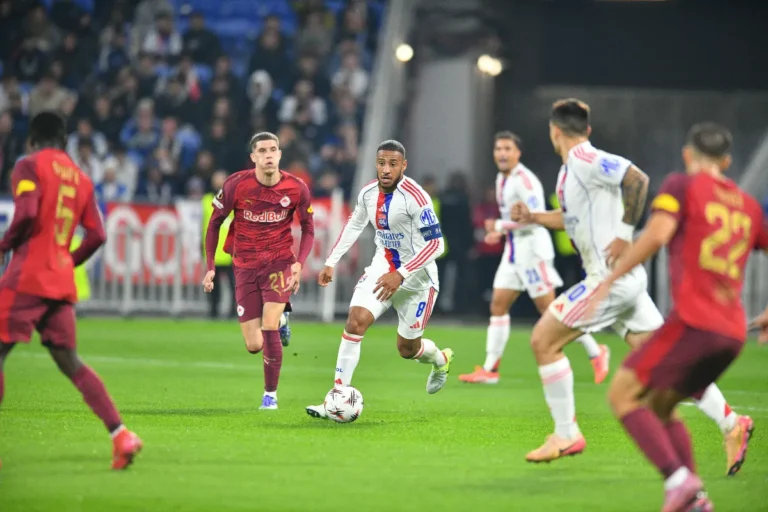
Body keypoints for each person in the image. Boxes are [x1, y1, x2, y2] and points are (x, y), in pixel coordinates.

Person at [512, 99, 749, 466]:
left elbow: (636, 178)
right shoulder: (569, 173)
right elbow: (572, 218)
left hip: (609, 279)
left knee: (543, 340)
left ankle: (566, 433)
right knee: (671, 366)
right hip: (625, 283)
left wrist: (625, 233)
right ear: (586, 128)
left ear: (553, 131)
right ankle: (733, 423)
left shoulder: (584, 159)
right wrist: (534, 217)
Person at [582, 122, 768, 511]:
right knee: (661, 406)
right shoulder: (749, 207)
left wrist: (609, 279)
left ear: (687, 155)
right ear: (727, 161)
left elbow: (657, 234)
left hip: (695, 324)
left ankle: (680, 481)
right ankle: (694, 499)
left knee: (623, 395)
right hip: (733, 334)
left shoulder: (682, 186)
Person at [0, 112, 142, 470]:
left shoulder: (27, 165)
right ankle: (121, 434)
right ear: (65, 142)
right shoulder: (80, 178)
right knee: (71, 363)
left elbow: (28, 212)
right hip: (60, 282)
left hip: (26, 277)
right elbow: (98, 235)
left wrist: (4, 244)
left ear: (32, 140)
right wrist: (68, 260)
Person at [306, 140, 453, 419]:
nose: (386, 169)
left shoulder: (416, 197)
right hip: (381, 269)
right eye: (381, 163)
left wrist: (401, 274)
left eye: (393, 164)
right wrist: (331, 261)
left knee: (407, 349)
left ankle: (440, 359)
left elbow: (437, 245)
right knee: (355, 320)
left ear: (403, 166)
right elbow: (354, 225)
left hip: (418, 281)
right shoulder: (368, 194)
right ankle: (336, 398)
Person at [459, 131, 607, 385]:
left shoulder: (525, 181)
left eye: (508, 149)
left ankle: (597, 352)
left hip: (533, 252)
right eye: (499, 149)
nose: (502, 154)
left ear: (518, 153)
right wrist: (501, 232)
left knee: (551, 312)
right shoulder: (501, 178)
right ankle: (490, 369)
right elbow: (514, 220)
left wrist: (500, 226)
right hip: (514, 252)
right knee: (498, 305)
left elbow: (535, 218)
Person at [203, 132, 314, 410]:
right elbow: (215, 224)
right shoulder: (235, 185)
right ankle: (283, 322)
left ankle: (270, 396)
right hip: (245, 265)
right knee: (254, 345)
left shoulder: (296, 188)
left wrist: (299, 263)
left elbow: (309, 228)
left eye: (273, 149)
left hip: (279, 264)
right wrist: (210, 267)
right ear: (253, 157)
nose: (268, 155)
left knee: (269, 326)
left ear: (279, 154)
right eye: (262, 150)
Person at [202, 170, 236, 320]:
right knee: (212, 285)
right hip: (213, 251)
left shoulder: (234, 200)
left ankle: (233, 312)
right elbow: (202, 224)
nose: (219, 181)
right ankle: (213, 311)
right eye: (217, 178)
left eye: (222, 178)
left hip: (229, 251)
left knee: (234, 285)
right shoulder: (206, 200)